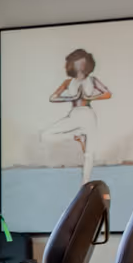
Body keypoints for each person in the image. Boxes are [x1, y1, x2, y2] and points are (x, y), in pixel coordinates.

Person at [45, 48, 111, 183]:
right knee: (47, 134)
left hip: (88, 113)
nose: (80, 65)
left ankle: (85, 184)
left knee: (89, 152)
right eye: (77, 61)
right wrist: (71, 98)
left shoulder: (92, 80)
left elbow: (107, 94)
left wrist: (90, 97)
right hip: (74, 114)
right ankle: (78, 138)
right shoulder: (68, 82)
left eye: (83, 61)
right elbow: (53, 98)